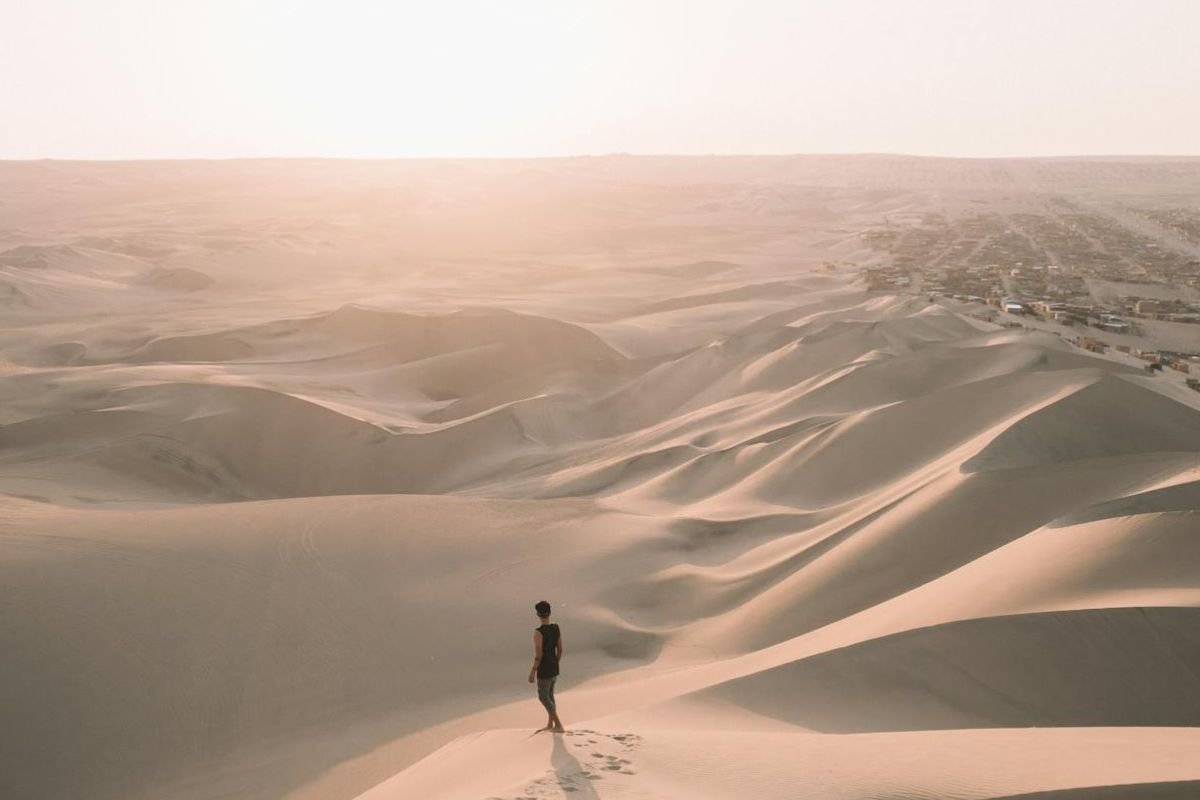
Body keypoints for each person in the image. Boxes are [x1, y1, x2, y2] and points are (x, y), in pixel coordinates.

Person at [528, 599, 564, 732]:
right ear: (549, 613)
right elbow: (560, 649)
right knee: (550, 694)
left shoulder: (538, 632)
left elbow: (539, 654)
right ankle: (551, 724)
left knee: (543, 696)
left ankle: (559, 724)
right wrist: (555, 663)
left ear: (538, 614)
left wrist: (533, 672)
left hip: (544, 669)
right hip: (554, 667)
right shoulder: (556, 628)